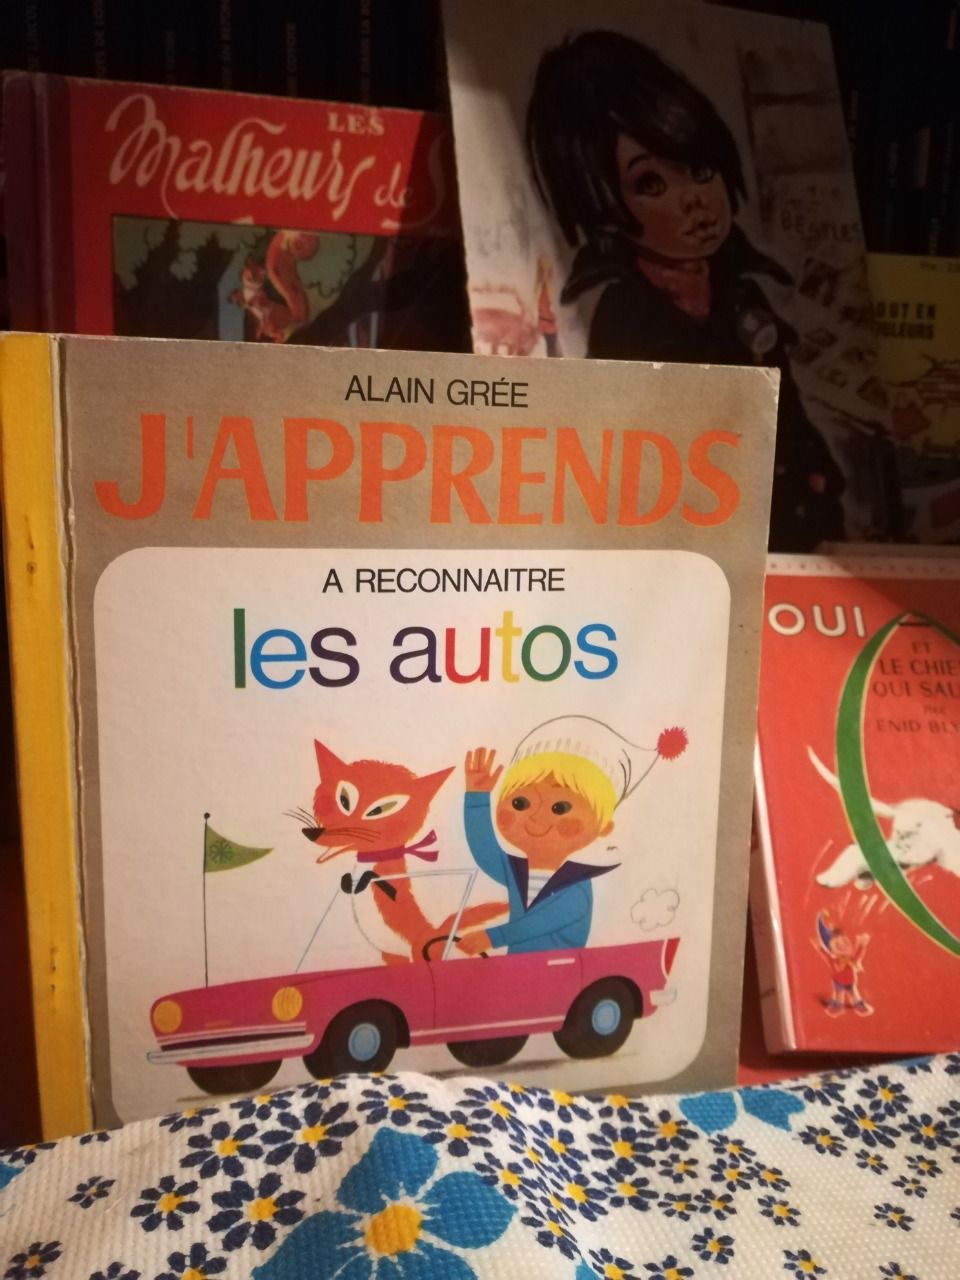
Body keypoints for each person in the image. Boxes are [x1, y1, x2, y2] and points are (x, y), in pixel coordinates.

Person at [525, 30, 847, 552]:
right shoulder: (627, 321)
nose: (694, 200)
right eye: (650, 184)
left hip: (791, 536)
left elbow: (785, 403)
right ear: (600, 205)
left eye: (700, 169)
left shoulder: (741, 293)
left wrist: (815, 467)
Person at [459, 716, 686, 955]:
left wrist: (492, 937)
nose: (535, 817)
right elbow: (485, 851)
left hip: (561, 970)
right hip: (517, 969)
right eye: (520, 803)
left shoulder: (575, 886)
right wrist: (477, 797)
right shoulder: (517, 871)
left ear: (603, 828)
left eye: (560, 808)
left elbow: (541, 922)